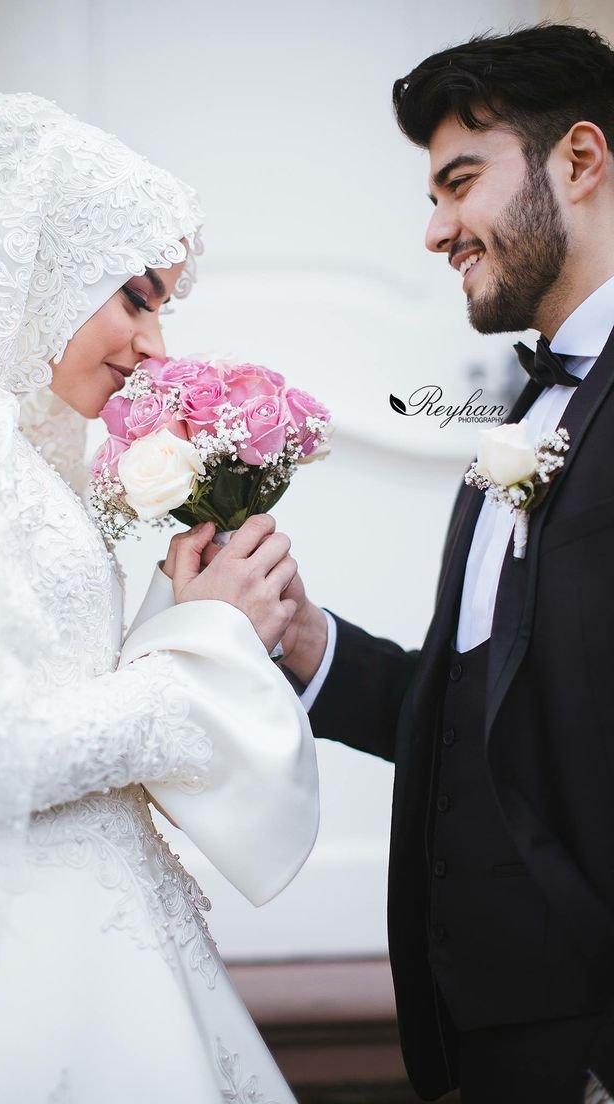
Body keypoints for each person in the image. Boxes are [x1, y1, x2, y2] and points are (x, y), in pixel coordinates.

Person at [0, 92, 318, 1104]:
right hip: (7, 947)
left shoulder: (18, 456)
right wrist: (209, 648)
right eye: (135, 296)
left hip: (103, 917)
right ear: (43, 263)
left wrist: (184, 609)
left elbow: (57, 681)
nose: (155, 344)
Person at [277, 22, 614, 1104]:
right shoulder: (522, 415)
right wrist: (304, 643)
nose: (434, 231)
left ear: (579, 159)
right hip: (487, 1032)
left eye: (460, 183)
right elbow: (483, 706)